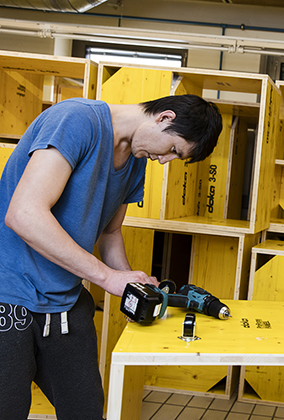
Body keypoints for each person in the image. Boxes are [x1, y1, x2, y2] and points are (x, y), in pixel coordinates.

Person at [0, 94, 222, 419]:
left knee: (86, 410)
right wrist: (107, 278)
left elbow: (110, 232)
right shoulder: (77, 121)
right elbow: (24, 214)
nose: (165, 161)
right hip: (9, 297)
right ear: (164, 118)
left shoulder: (136, 159)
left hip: (65, 300)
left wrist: (131, 284)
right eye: (173, 149)